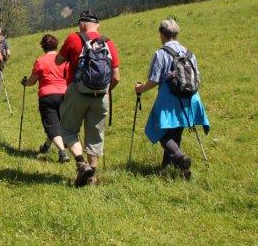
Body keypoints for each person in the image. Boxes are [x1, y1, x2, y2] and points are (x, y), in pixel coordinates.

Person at [134, 19, 210, 180]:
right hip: (190, 98)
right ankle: (174, 168)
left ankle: (180, 158)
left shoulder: (161, 53)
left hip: (170, 99)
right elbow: (197, 77)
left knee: (160, 132)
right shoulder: (189, 53)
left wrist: (141, 89)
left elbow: (154, 80)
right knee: (176, 132)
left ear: (162, 34)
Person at [56, 10, 120, 187]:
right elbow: (116, 76)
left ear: (82, 24)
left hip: (77, 91)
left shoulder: (73, 38)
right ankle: (92, 177)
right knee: (95, 135)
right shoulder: (108, 43)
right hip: (101, 95)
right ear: (98, 25)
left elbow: (58, 61)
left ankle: (81, 164)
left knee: (67, 130)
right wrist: (105, 91)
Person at [21, 34, 70, 163]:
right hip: (65, 94)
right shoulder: (64, 60)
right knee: (58, 123)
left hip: (47, 96)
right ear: (56, 45)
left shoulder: (40, 61)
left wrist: (25, 83)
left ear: (43, 46)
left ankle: (62, 151)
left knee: (52, 124)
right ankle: (46, 146)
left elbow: (32, 81)